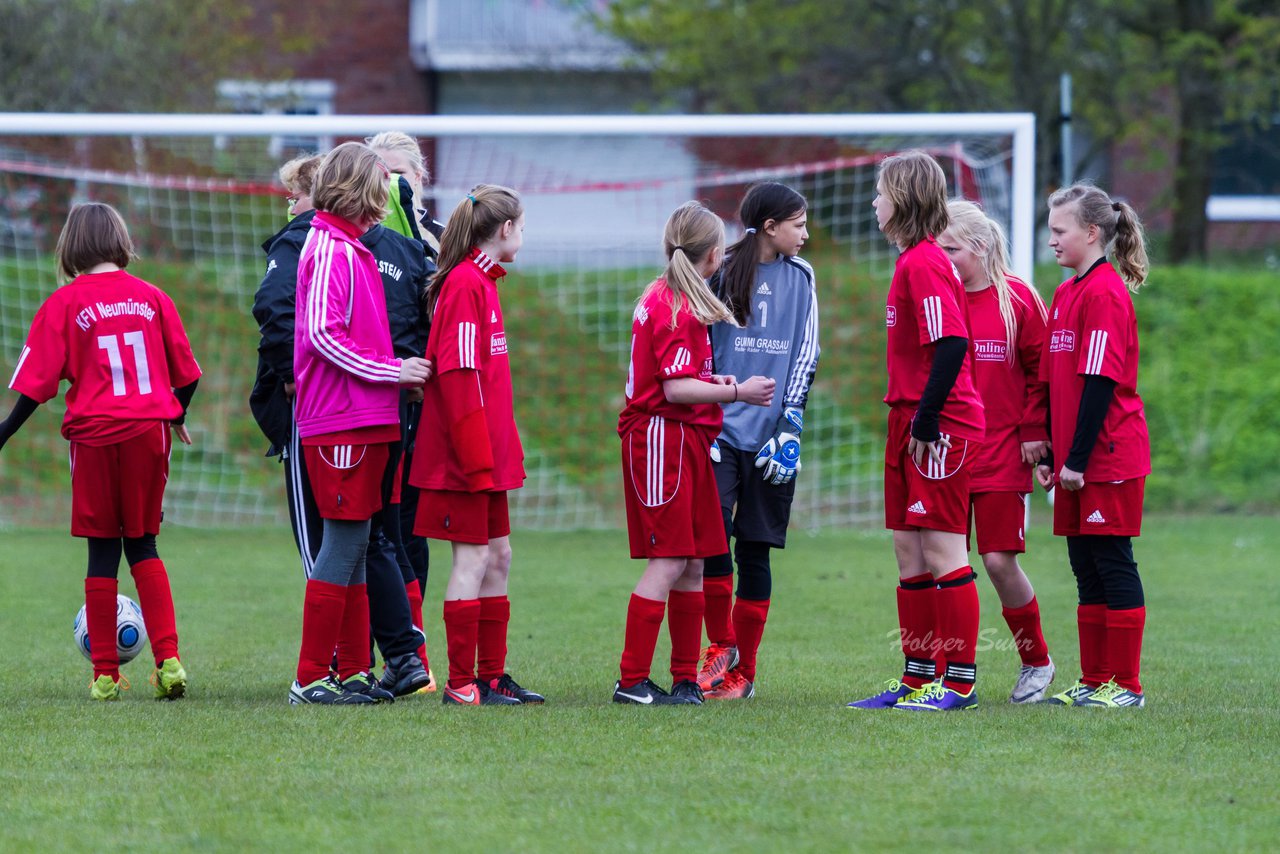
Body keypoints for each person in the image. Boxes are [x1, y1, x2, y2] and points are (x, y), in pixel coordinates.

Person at [0, 202, 201, 701]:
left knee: (101, 552)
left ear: (70, 247)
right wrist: (174, 413)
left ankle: (106, 676)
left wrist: (5, 429)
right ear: (120, 240)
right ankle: (169, 662)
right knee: (145, 544)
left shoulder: (64, 304)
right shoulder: (153, 298)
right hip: (146, 435)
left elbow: (36, 384)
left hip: (93, 437)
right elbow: (188, 373)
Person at [251, 153, 434, 699]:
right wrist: (393, 371)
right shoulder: (329, 248)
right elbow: (323, 337)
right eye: (380, 187)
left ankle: (353, 670)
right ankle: (310, 678)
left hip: (366, 418)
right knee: (345, 540)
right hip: (340, 422)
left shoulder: (349, 246)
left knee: (358, 543)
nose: (387, 198)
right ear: (359, 191)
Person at [613, 200, 776, 706]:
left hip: (686, 440)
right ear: (711, 256)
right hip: (663, 439)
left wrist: (714, 380)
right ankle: (632, 681)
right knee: (669, 560)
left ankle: (683, 678)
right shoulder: (675, 305)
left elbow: (685, 378)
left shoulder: (676, 296)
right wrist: (736, 392)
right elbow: (675, 389)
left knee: (693, 564)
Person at [845, 150, 986, 712]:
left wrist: (927, 420)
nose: (874, 202)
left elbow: (952, 344)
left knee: (943, 548)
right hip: (907, 418)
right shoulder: (910, 262)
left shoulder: (925, 262)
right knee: (908, 549)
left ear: (901, 199)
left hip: (938, 424)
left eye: (880, 193)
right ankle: (918, 677)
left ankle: (959, 684)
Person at [410, 184, 545, 706]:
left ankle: (490, 675)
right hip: (463, 461)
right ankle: (461, 683)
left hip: (487, 456)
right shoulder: (465, 284)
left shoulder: (485, 284)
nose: (523, 235)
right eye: (523, 226)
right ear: (505, 228)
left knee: (499, 555)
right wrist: (475, 460)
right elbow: (460, 376)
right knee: (471, 559)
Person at [698, 183, 820, 701]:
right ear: (770, 226)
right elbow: (699, 345)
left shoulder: (803, 276)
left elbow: (806, 353)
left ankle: (743, 674)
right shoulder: (719, 268)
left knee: (755, 550)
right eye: (799, 223)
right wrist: (706, 413)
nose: (806, 233)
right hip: (720, 434)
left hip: (773, 438)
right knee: (709, 544)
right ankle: (719, 649)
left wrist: (790, 423)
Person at [1037, 183, 1151, 709]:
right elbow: (1052, 382)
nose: (1052, 238)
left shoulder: (1105, 293)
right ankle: (1095, 677)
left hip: (1107, 457)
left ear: (1091, 232)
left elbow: (1100, 384)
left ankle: (1126, 686)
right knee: (1084, 565)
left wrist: (1077, 461)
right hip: (1074, 461)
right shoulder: (1065, 293)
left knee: (1112, 560)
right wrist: (1049, 453)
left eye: (1059, 230)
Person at [938, 199, 1055, 703]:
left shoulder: (1020, 300)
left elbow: (1042, 375)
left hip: (1004, 452)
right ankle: (943, 670)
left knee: (998, 560)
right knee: (942, 562)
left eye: (951, 250)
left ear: (980, 247)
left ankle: (1036, 661)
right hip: (945, 451)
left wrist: (1035, 431)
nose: (943, 260)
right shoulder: (940, 297)